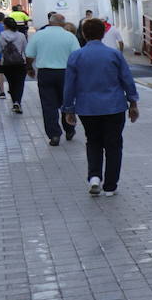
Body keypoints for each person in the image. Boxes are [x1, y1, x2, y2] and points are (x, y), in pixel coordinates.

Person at [64, 19, 139, 196]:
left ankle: (94, 177)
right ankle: (111, 186)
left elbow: (69, 85)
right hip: (114, 106)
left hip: (87, 108)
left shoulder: (76, 56)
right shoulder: (114, 55)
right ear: (103, 33)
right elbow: (127, 80)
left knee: (93, 142)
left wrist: (68, 108)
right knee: (113, 145)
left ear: (83, 34)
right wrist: (133, 103)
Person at [27, 12, 81, 145]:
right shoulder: (69, 37)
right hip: (65, 73)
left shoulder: (39, 35)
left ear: (50, 22)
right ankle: (69, 129)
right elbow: (77, 56)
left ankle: (54, 134)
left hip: (45, 73)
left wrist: (29, 68)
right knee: (66, 102)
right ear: (63, 24)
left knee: (48, 105)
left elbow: (29, 54)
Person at [0, 17, 30, 113]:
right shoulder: (21, 35)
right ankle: (17, 101)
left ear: (5, 25)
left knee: (11, 82)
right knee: (19, 83)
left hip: (6, 63)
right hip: (20, 63)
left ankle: (14, 100)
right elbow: (26, 50)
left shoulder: (0, 36)